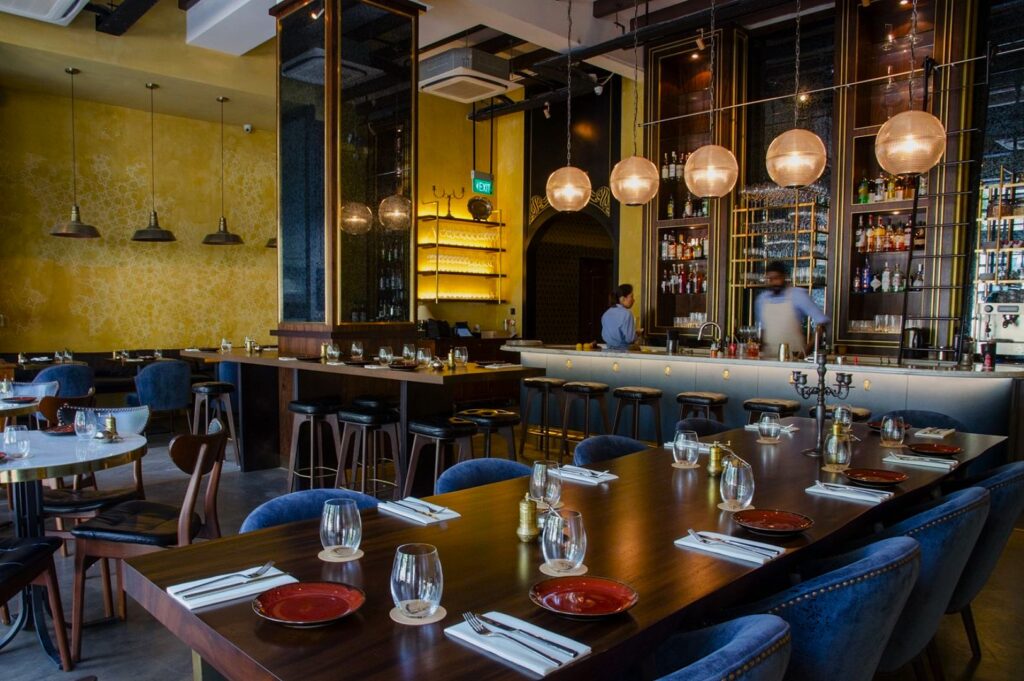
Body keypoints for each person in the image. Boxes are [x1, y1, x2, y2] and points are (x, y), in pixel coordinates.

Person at [755, 261, 829, 357]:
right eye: (770, 279)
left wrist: (805, 352)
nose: (773, 282)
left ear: (784, 277)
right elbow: (763, 330)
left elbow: (821, 323)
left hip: (794, 358)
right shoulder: (762, 299)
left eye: (776, 278)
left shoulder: (797, 295)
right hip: (769, 358)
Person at [601, 284, 642, 351]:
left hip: (608, 352)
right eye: (631, 296)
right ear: (623, 299)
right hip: (623, 353)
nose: (633, 300)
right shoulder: (627, 314)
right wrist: (636, 334)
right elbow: (630, 339)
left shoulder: (606, 314)